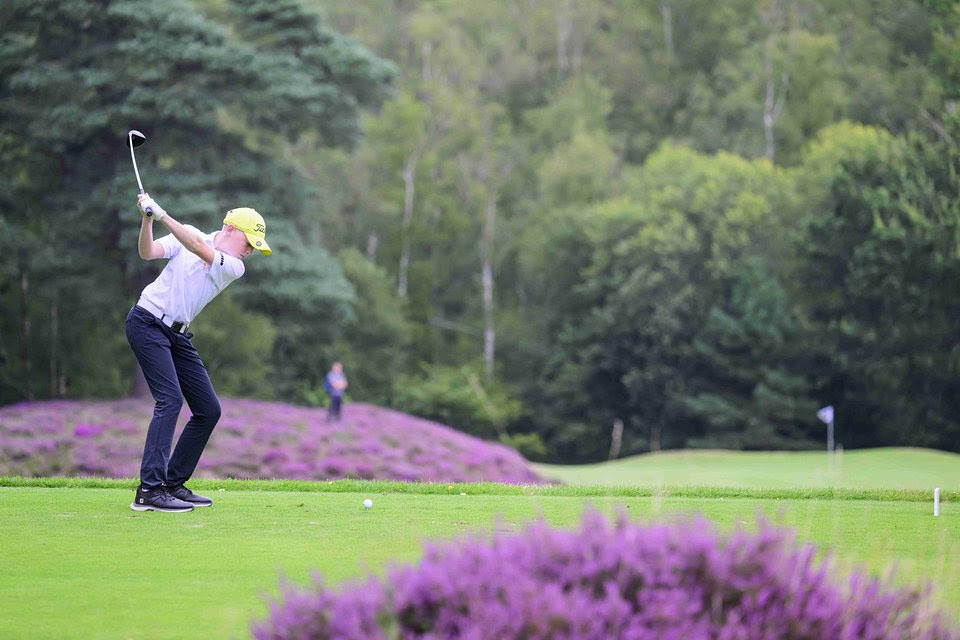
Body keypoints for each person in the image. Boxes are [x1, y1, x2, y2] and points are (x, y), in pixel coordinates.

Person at [126, 192, 271, 513]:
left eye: (255, 247)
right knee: (170, 400)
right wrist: (147, 220)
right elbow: (147, 252)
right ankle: (148, 491)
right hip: (146, 321)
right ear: (230, 229)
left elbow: (195, 246)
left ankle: (171, 484)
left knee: (208, 410)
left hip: (177, 334)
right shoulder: (189, 234)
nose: (250, 251)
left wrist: (161, 214)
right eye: (249, 242)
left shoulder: (234, 266)